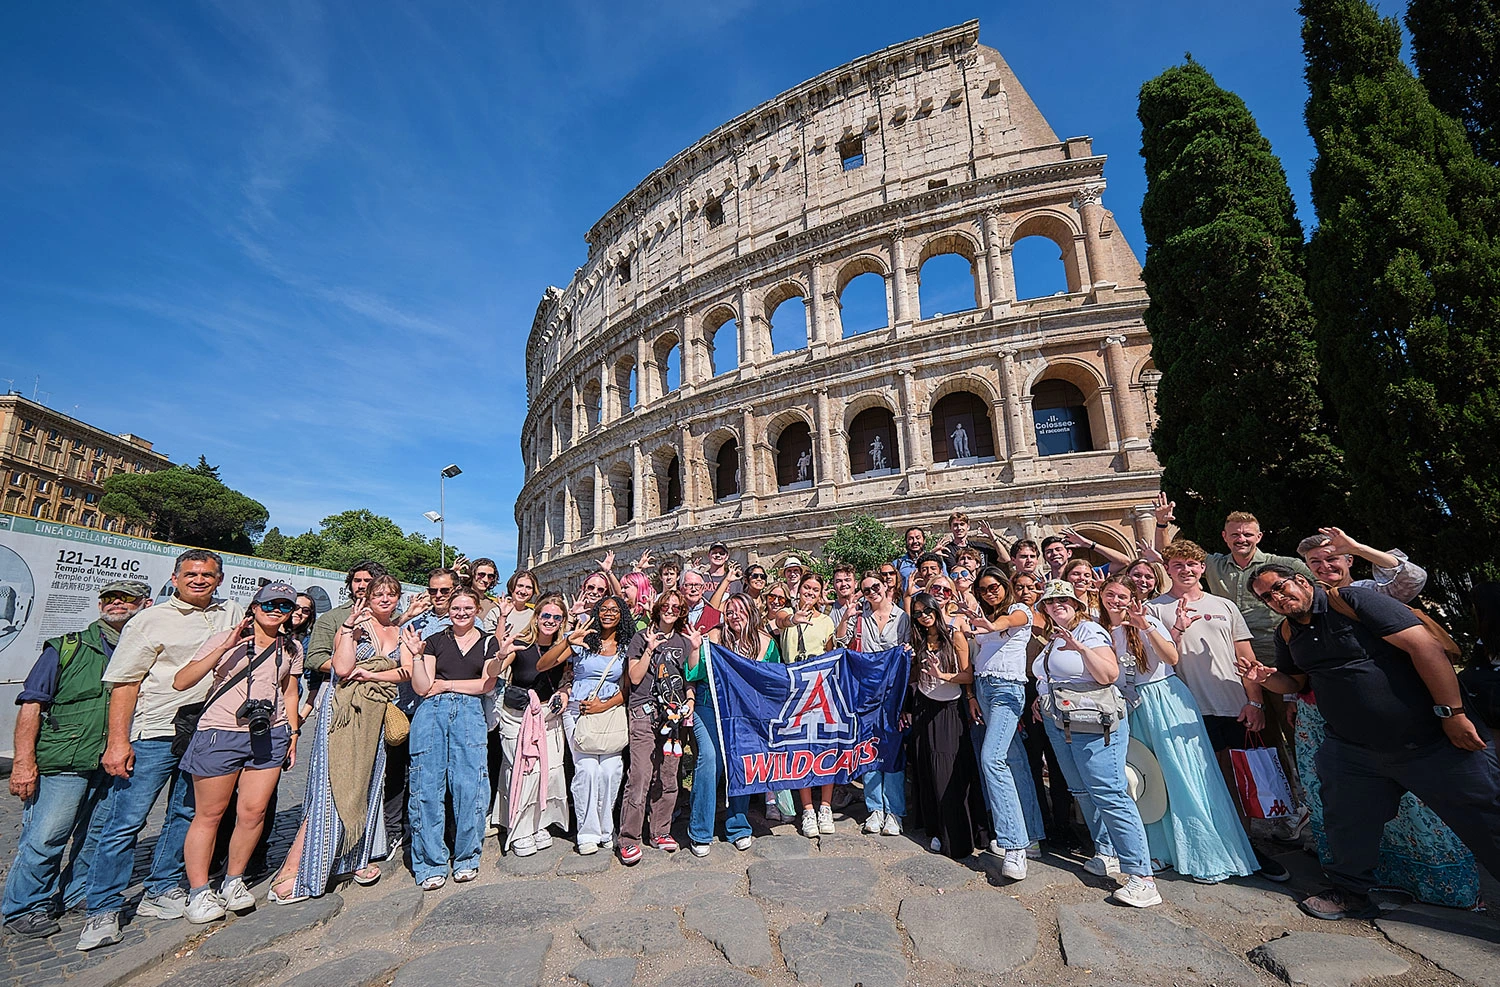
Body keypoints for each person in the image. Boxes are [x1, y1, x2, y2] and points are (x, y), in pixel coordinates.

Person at [1242, 565, 1500, 920]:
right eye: (1266, 597)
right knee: (1346, 822)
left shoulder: (1352, 601)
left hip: (1428, 740)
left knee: (1487, 816)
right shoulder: (1287, 633)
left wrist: (1452, 713)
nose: (1276, 598)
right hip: (1353, 750)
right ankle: (1351, 893)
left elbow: (1424, 648)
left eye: (1278, 588)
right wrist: (1269, 679)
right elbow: (1297, 683)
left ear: (1301, 580)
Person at [77, 551, 244, 952]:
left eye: (207, 575)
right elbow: (124, 683)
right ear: (175, 577)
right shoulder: (149, 620)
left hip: (206, 733)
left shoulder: (232, 612)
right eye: (191, 574)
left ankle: (162, 887)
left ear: (219, 579)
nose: (199, 580)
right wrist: (118, 741)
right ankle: (102, 908)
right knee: (126, 821)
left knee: (186, 814)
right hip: (155, 732)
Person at [3, 580, 149, 939]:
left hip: (114, 760)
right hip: (64, 759)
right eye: (110, 598)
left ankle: (78, 891)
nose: (117, 604)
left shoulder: (144, 650)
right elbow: (32, 704)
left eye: (126, 599)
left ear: (143, 604)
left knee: (96, 834)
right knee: (46, 835)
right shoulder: (67, 647)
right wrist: (23, 761)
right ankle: (24, 905)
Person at [1146, 539, 1288, 882]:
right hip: (1185, 708)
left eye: (1192, 564)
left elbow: (1246, 658)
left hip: (1232, 703)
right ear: (1168, 569)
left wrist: (1254, 702)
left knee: (1238, 779)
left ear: (1201, 568)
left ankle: (1246, 844)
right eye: (1178, 564)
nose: (1186, 570)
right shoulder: (1155, 609)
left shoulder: (1224, 605)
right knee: (1203, 781)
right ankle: (1211, 844)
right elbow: (1159, 658)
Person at [1097, 575, 1255, 883]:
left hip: (1164, 700)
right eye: (1110, 594)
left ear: (1133, 598)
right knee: (1149, 782)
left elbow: (1171, 657)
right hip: (1132, 709)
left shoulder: (1147, 621)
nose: (1115, 600)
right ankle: (1162, 851)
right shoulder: (1099, 630)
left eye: (1122, 595)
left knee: (1184, 776)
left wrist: (1144, 626)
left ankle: (1205, 853)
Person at [270, 574, 406, 903]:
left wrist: (372, 673)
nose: (385, 599)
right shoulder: (355, 625)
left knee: (367, 786)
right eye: (379, 594)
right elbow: (342, 669)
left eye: (391, 594)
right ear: (368, 597)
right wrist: (347, 630)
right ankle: (299, 866)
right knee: (332, 787)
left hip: (376, 712)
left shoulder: (401, 630)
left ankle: (353, 858)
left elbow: (405, 672)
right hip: (344, 712)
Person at [172, 583, 303, 923]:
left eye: (284, 606)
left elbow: (289, 692)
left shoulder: (291, 647)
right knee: (210, 815)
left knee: (253, 813)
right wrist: (225, 648)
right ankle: (199, 891)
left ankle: (234, 881)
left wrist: (292, 731)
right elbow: (182, 681)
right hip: (221, 733)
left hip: (269, 734)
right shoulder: (226, 639)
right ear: (255, 606)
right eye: (269, 604)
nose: (276, 610)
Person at [1032, 580, 1160, 907]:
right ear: (1044, 608)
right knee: (1081, 790)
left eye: (1064, 599)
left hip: (1092, 721)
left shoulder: (1089, 632)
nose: (1057, 604)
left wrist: (1081, 649)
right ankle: (1107, 851)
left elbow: (1107, 674)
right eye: (1050, 600)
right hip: (1061, 720)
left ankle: (1142, 877)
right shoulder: (1052, 637)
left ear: (1076, 603)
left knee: (1109, 792)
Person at [403, 587, 505, 889]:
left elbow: (487, 683)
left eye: (467, 608)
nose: (461, 613)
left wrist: (447, 684)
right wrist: (418, 657)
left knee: (470, 786)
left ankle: (466, 857)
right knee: (426, 786)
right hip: (431, 713)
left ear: (476, 610)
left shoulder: (488, 641)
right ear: (449, 610)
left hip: (469, 714)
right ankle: (430, 862)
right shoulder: (435, 640)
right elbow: (422, 687)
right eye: (456, 608)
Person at [965, 568, 1045, 875]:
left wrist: (989, 624)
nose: (989, 592)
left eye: (994, 586)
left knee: (993, 759)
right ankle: (1033, 837)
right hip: (986, 690)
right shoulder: (985, 616)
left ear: (1005, 585)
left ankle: (1014, 845)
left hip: (1006, 690)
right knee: (1014, 759)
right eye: (983, 589)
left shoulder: (1018, 610)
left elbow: (1008, 623)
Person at [691, 592, 781, 855]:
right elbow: (694, 672)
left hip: (744, 712)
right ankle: (700, 830)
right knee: (710, 759)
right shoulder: (713, 638)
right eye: (729, 611)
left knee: (741, 759)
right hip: (709, 705)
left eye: (740, 610)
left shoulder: (766, 643)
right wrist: (696, 649)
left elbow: (771, 681)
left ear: (751, 612)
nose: (734, 615)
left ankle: (738, 826)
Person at [619, 591, 699, 864]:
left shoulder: (684, 641)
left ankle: (660, 831)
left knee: (668, 776)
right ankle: (629, 838)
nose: (671, 610)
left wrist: (689, 698)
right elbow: (635, 676)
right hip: (643, 711)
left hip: (673, 716)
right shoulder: (641, 638)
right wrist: (651, 649)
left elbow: (690, 677)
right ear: (657, 608)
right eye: (666, 605)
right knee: (640, 776)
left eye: (676, 607)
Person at [906, 591, 982, 858]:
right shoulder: (918, 639)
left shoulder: (954, 635)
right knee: (927, 769)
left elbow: (967, 674)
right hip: (924, 707)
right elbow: (915, 675)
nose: (923, 617)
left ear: (936, 609)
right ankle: (935, 829)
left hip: (949, 710)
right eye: (917, 613)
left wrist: (944, 675)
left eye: (927, 611)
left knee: (948, 771)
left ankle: (958, 836)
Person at [495, 594, 571, 856]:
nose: (550, 621)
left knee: (548, 772)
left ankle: (540, 823)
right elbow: (493, 673)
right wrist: (500, 655)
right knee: (523, 771)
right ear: (536, 617)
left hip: (548, 715)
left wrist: (565, 691)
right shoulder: (519, 643)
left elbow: (567, 678)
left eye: (556, 617)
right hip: (517, 716)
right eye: (546, 615)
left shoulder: (563, 647)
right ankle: (518, 829)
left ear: (562, 621)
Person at [560, 596, 632, 855]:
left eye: (614, 610)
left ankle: (605, 826)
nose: (608, 614)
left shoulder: (626, 646)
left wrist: (605, 705)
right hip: (578, 712)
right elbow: (545, 664)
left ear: (622, 614)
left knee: (611, 770)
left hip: (609, 713)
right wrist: (568, 640)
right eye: (603, 609)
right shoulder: (583, 640)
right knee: (587, 769)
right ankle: (587, 831)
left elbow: (628, 687)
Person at [770, 573, 837, 836]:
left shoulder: (826, 621)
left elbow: (831, 652)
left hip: (821, 688)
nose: (810, 592)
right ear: (798, 589)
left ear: (821, 594)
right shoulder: (786, 611)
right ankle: (807, 809)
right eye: (807, 587)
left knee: (825, 745)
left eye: (815, 589)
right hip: (795, 688)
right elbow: (781, 620)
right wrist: (793, 619)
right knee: (800, 746)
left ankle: (826, 806)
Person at [852, 572, 911, 836]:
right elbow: (844, 644)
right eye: (866, 590)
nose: (872, 592)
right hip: (867, 692)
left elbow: (909, 654)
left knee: (894, 748)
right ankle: (875, 807)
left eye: (875, 586)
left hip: (894, 692)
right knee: (869, 748)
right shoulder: (861, 620)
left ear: (886, 586)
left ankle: (894, 810)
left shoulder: (903, 618)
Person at [934, 511, 1006, 570]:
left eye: (962, 524)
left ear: (968, 527)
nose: (959, 528)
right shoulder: (948, 549)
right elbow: (954, 570)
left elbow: (1005, 558)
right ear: (950, 528)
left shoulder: (980, 546)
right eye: (955, 525)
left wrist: (992, 536)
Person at [292, 592, 321, 723]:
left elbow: (315, 684)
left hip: (287, 711)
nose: (299, 613)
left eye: (305, 611)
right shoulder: (267, 634)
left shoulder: (307, 642)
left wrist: (301, 717)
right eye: (295, 607)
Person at [681, 569, 721, 633]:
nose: (693, 589)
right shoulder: (674, 614)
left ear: (703, 589)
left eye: (697, 585)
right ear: (681, 589)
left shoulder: (718, 616)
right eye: (689, 585)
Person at [892, 526, 930, 595]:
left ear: (924, 540)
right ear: (906, 542)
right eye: (911, 539)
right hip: (906, 604)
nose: (915, 541)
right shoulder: (897, 564)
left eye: (918, 538)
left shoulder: (936, 561)